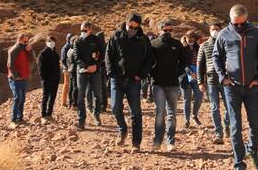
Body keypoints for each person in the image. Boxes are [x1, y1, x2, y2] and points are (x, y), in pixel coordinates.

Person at [213, 4, 258, 170]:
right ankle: (239, 165)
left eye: (240, 24)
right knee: (235, 126)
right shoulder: (223, 34)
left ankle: (252, 151)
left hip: (252, 87)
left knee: (256, 123)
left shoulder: (254, 34)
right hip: (232, 88)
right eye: (234, 24)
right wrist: (223, 77)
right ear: (230, 20)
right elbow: (216, 57)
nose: (237, 27)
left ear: (246, 19)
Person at [107, 13, 153, 150]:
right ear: (126, 23)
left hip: (134, 80)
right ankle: (122, 129)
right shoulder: (116, 36)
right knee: (115, 107)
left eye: (134, 27)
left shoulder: (143, 40)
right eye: (129, 26)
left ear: (138, 26)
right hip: (117, 79)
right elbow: (108, 55)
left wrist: (141, 75)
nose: (131, 29)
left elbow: (148, 59)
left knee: (136, 112)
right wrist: (111, 73)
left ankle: (136, 143)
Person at [150, 19, 187, 151]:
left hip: (173, 84)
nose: (168, 32)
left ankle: (170, 142)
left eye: (170, 30)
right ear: (159, 30)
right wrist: (153, 74)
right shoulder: (153, 44)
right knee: (160, 113)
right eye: (165, 30)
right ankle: (157, 141)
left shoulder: (177, 44)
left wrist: (177, 72)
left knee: (172, 114)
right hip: (158, 84)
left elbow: (185, 60)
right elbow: (148, 62)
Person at [197, 22, 225, 144]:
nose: (215, 31)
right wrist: (200, 82)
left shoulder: (225, 43)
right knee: (214, 108)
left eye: (217, 29)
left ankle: (227, 124)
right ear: (209, 31)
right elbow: (200, 65)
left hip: (225, 80)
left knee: (230, 107)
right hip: (211, 81)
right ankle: (219, 133)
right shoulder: (204, 46)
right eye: (213, 29)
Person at [74, 21, 104, 130]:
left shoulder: (96, 40)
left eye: (85, 30)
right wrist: (86, 67)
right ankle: (81, 119)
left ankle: (96, 115)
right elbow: (76, 57)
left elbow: (102, 54)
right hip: (82, 71)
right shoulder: (77, 41)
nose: (83, 32)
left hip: (95, 71)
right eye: (81, 30)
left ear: (90, 30)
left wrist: (96, 65)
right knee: (81, 95)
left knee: (97, 94)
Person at [6, 33, 32, 125]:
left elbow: (31, 60)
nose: (26, 42)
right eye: (25, 41)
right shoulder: (14, 49)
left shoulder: (24, 49)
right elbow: (10, 64)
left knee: (23, 98)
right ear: (19, 39)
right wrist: (16, 76)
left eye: (27, 41)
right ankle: (13, 119)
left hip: (23, 77)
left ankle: (20, 118)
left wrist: (29, 51)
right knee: (18, 98)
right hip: (15, 79)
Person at [181, 31, 204, 127]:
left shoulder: (198, 47)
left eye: (192, 38)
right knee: (187, 99)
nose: (190, 40)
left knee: (199, 96)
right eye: (188, 38)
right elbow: (181, 63)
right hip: (185, 76)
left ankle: (194, 115)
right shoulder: (182, 48)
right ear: (185, 38)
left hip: (198, 75)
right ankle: (187, 120)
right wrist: (190, 72)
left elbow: (202, 61)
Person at [37, 35, 62, 120]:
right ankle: (44, 114)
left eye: (53, 42)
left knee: (53, 97)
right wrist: (44, 78)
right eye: (49, 41)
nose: (51, 43)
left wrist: (58, 77)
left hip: (55, 79)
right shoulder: (43, 54)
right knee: (46, 96)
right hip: (47, 80)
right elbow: (40, 68)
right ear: (46, 42)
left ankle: (49, 113)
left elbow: (58, 66)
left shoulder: (55, 53)